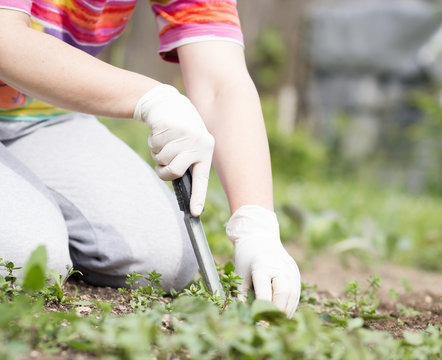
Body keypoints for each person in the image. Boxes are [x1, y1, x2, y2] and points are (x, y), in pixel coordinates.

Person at [0, 0, 300, 316]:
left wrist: (256, 224)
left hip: (46, 116)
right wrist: (150, 98)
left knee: (165, 257)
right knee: (25, 258)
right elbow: (5, 38)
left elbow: (220, 82)